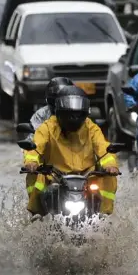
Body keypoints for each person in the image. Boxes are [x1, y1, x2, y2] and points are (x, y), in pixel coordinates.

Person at [22, 87, 119, 215]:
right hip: (55, 177)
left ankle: (104, 216)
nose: (73, 118)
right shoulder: (47, 127)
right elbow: (36, 145)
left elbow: (103, 147)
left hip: (87, 177)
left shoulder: (91, 128)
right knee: (36, 178)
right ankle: (37, 214)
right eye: (69, 115)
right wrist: (31, 162)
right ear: (60, 113)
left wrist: (110, 166)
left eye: (77, 114)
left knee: (109, 178)